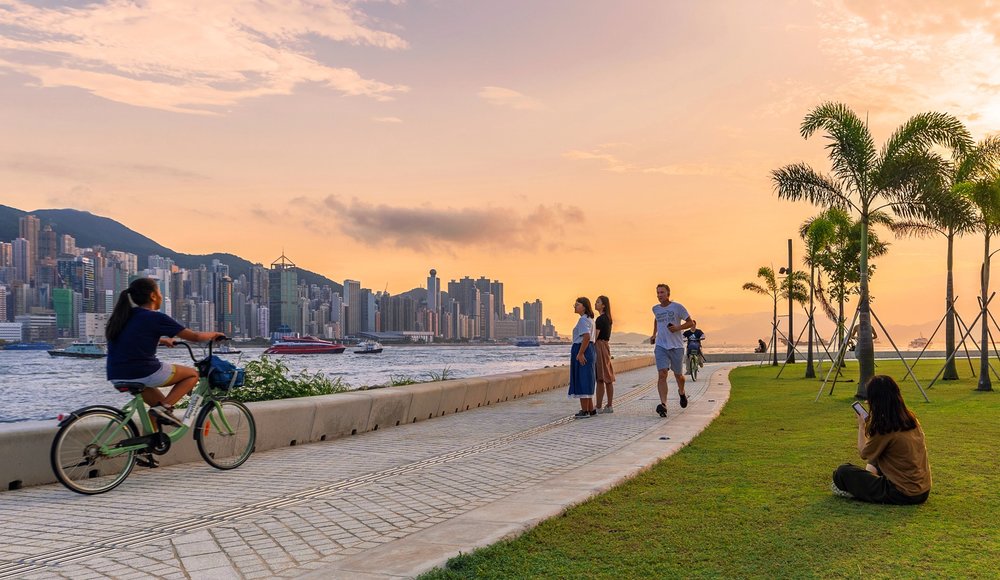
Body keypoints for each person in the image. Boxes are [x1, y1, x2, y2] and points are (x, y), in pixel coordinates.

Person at [106, 278, 224, 436]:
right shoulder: (155, 317)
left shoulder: (124, 317)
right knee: (192, 375)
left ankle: (144, 451)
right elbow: (195, 336)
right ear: (153, 296)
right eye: (160, 292)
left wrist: (161, 339)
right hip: (143, 371)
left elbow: (133, 337)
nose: (161, 296)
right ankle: (163, 410)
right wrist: (215, 334)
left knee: (158, 405)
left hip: (116, 374)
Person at [831, 375, 931, 504]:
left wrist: (861, 426)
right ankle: (869, 481)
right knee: (878, 452)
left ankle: (865, 485)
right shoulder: (911, 420)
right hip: (923, 490)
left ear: (875, 400)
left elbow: (863, 452)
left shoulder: (885, 428)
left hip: (902, 493)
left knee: (842, 472)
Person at [649, 284, 696, 417]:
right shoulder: (655, 309)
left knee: (678, 376)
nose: (659, 295)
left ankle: (681, 392)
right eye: (657, 293)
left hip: (676, 346)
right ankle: (663, 404)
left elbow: (690, 322)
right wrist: (654, 334)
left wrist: (677, 328)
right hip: (661, 346)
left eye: (662, 292)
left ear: (668, 293)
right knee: (662, 374)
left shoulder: (677, 307)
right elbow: (656, 320)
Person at [568, 296, 597, 418]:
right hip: (589, 349)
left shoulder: (583, 321)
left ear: (584, 307)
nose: (575, 306)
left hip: (582, 348)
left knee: (582, 378)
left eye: (577, 304)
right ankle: (590, 409)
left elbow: (586, 336)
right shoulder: (590, 320)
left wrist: (580, 353)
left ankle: (584, 410)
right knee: (588, 378)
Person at [594, 295, 616, 413]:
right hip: (606, 346)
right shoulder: (608, 318)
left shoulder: (600, 319)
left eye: (597, 302)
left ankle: (598, 407)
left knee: (600, 378)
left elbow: (595, 336)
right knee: (608, 377)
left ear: (603, 305)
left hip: (599, 346)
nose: (595, 304)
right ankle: (609, 405)